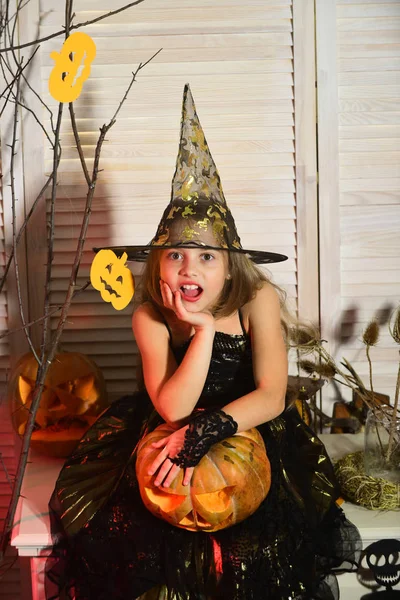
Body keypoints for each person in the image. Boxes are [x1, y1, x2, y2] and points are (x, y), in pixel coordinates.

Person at [46, 84, 360, 600]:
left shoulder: (256, 299)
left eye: (207, 257)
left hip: (251, 429)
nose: (190, 267)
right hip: (171, 429)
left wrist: (215, 426)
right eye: (176, 256)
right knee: (149, 541)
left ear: (230, 264)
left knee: (258, 549)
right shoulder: (150, 317)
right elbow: (172, 408)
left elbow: (271, 394)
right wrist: (204, 331)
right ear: (158, 264)